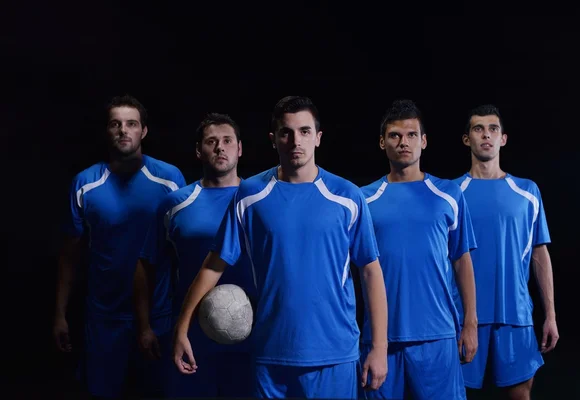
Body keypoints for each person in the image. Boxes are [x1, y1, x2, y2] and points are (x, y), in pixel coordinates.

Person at [172, 95, 389, 399]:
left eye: (304, 131)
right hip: (271, 353)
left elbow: (370, 272)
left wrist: (379, 348)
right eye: (286, 132)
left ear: (318, 138)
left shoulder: (346, 196)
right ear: (274, 140)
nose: (295, 140)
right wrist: (182, 328)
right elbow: (214, 264)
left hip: (334, 353)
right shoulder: (250, 196)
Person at [53, 94, 186, 399]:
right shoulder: (85, 183)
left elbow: (185, 247)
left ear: (144, 131)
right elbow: (69, 255)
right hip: (104, 317)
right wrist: (59, 313)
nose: (123, 130)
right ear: (107, 131)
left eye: (131, 124)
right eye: (116, 124)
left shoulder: (170, 179)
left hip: (160, 316)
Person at [360, 99, 478, 400]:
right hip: (381, 339)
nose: (404, 142)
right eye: (395, 135)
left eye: (412, 135)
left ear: (424, 142)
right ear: (382, 142)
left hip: (437, 335)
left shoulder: (448, 194)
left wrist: (470, 323)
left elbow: (462, 260)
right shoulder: (363, 200)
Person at [134, 112, 256, 398]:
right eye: (211, 142)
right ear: (199, 151)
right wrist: (144, 327)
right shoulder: (175, 204)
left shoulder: (260, 201)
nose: (220, 148)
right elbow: (146, 265)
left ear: (240, 148)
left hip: (254, 339)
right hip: (190, 339)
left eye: (227, 141)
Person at [452, 104, 559, 399]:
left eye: (493, 129)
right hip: (462, 318)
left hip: (515, 314)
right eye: (478, 129)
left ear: (503, 138)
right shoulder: (449, 194)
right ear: (467, 139)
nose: (486, 135)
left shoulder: (527, 192)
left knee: (520, 395)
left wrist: (550, 314)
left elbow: (540, 255)